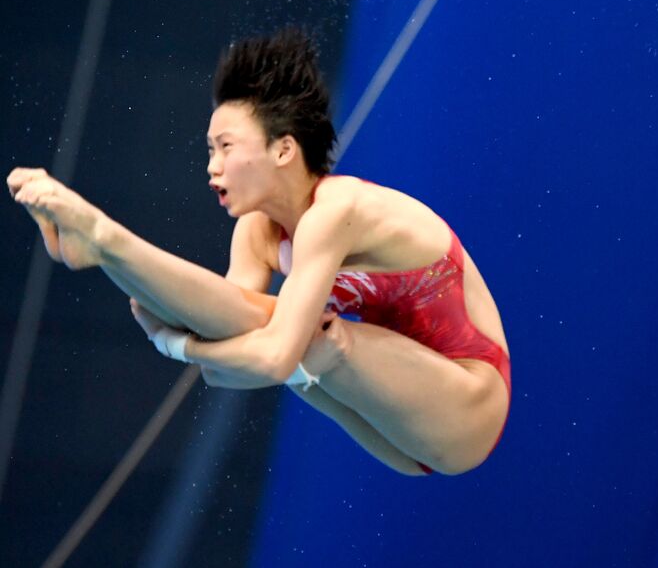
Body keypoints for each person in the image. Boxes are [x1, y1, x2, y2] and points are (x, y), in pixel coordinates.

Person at [8, 28, 509, 475]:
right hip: (393, 426)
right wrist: (189, 338)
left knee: (310, 341)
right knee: (294, 337)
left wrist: (177, 346)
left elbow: (265, 361)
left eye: (226, 147)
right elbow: (225, 337)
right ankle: (101, 250)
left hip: (470, 404)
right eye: (209, 150)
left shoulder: (337, 211)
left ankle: (107, 237)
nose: (212, 166)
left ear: (284, 149)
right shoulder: (256, 230)